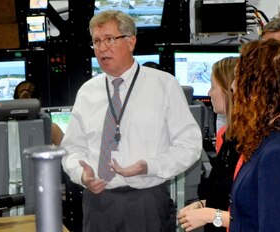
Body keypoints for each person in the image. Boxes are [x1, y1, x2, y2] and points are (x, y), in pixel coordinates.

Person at [61, 10, 202, 231]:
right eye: (96, 42)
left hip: (147, 201)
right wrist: (81, 175)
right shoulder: (87, 92)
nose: (102, 48)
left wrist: (149, 166)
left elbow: (189, 145)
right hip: (98, 204)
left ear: (131, 41)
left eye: (109, 39)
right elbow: (71, 148)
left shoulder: (164, 85)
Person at [227, 40, 280, 231]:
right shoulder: (269, 140)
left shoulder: (279, 152)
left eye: (237, 78)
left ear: (259, 88)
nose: (233, 87)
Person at [178, 56, 238, 232]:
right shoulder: (225, 137)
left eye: (213, 87)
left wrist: (209, 215)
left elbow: (253, 217)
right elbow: (226, 199)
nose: (209, 93)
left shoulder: (253, 145)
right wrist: (203, 205)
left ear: (230, 90)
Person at [13, 80, 65, 145]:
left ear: (14, 101)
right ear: (39, 101)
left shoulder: (5, 129)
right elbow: (69, 152)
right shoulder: (52, 129)